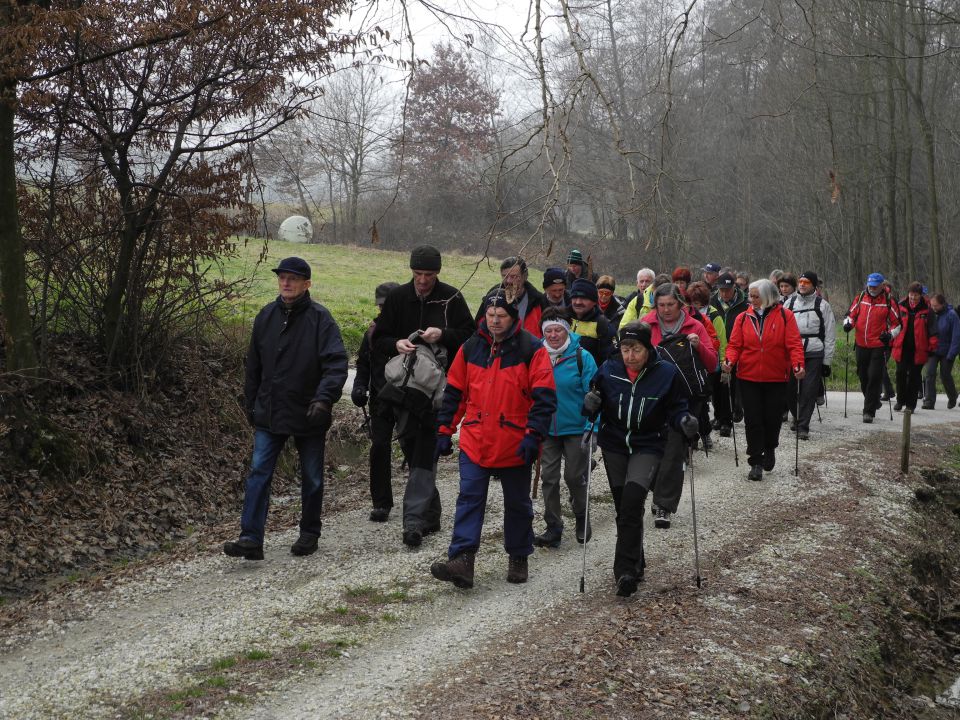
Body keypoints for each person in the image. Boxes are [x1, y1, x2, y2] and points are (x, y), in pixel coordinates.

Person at [224, 257, 348, 560]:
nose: (286, 283)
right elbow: (253, 366)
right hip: (269, 411)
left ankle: (309, 533)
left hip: (309, 412)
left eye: (293, 278)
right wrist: (250, 403)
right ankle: (250, 538)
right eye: (282, 277)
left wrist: (323, 399)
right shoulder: (266, 316)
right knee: (258, 473)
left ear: (307, 284)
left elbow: (336, 364)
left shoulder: (321, 319)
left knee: (312, 476)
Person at [430, 293, 557, 589]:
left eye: (501, 314)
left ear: (512, 317)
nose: (495, 320)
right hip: (476, 439)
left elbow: (544, 398)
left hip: (516, 440)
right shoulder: (471, 347)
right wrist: (444, 430)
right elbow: (455, 393)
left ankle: (518, 554)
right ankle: (462, 559)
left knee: (517, 503)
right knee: (470, 499)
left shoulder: (531, 349)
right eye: (491, 314)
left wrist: (533, 435)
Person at [581, 322, 699, 597]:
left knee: (633, 502)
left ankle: (624, 571)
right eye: (625, 349)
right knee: (625, 507)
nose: (630, 355)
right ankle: (637, 559)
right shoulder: (608, 369)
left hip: (647, 444)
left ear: (648, 348)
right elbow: (593, 401)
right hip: (614, 445)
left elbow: (677, 408)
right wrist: (590, 404)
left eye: (635, 349)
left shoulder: (666, 373)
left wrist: (684, 421)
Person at [372, 246, 475, 547]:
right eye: (418, 274)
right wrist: (398, 343)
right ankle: (430, 513)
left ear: (437, 274)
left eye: (428, 275)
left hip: (438, 392)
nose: (422, 281)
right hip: (403, 390)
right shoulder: (397, 298)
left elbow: (470, 336)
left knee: (424, 452)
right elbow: (378, 340)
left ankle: (413, 522)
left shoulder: (452, 298)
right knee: (411, 447)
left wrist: (442, 335)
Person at [640, 283, 717, 528]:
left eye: (670, 305)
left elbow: (712, 362)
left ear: (680, 304)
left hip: (685, 398)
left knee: (674, 449)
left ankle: (664, 505)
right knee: (651, 448)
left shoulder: (695, 325)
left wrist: (698, 346)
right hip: (651, 396)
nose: (665, 310)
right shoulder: (645, 325)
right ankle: (655, 486)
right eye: (661, 305)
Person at [723, 279, 804, 481]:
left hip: (776, 376)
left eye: (756, 296)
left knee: (772, 418)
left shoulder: (786, 316)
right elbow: (734, 345)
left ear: (768, 296)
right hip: (748, 376)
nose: (751, 299)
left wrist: (798, 365)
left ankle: (770, 448)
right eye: (750, 296)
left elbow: (794, 344)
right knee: (753, 420)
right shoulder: (743, 318)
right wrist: (729, 361)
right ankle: (755, 461)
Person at [533, 307, 598, 549]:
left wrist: (593, 428)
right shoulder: (536, 354)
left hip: (576, 428)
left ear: (567, 329)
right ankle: (553, 527)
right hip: (546, 428)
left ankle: (581, 516)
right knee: (548, 478)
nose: (553, 335)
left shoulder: (583, 357)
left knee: (573, 477)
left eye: (558, 329)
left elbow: (595, 396)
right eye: (548, 330)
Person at [351, 281, 402, 522]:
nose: (383, 310)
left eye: (388, 305)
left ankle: (422, 507)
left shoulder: (414, 331)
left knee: (414, 451)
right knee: (379, 448)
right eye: (381, 306)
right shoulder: (372, 332)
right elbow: (363, 364)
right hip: (380, 399)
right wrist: (360, 386)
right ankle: (381, 504)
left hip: (408, 401)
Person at [843, 273, 901, 424]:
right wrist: (848, 324)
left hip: (878, 345)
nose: (873, 288)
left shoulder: (889, 301)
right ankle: (874, 400)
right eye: (870, 285)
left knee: (874, 376)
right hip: (861, 343)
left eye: (876, 285)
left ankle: (868, 411)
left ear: (882, 285)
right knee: (863, 376)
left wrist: (889, 335)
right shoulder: (861, 297)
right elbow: (851, 315)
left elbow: (898, 324)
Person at [783, 272, 836, 440]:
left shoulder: (823, 305)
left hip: (814, 352)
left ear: (813, 285)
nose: (802, 285)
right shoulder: (789, 303)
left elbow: (830, 334)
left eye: (806, 282)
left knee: (808, 390)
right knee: (790, 389)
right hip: (792, 351)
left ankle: (803, 426)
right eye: (800, 282)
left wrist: (826, 361)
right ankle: (797, 415)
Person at [709, 272, 748, 436]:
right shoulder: (712, 302)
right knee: (716, 387)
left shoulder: (744, 303)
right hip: (717, 348)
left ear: (734, 287)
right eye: (721, 290)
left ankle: (727, 420)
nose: (724, 293)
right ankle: (718, 416)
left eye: (728, 290)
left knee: (729, 387)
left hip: (736, 348)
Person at [892, 282, 936, 413]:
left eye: (915, 295)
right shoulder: (900, 306)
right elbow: (893, 325)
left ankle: (910, 405)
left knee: (914, 377)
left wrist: (932, 347)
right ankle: (900, 400)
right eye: (911, 295)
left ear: (920, 295)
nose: (912, 298)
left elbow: (933, 331)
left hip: (919, 350)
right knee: (900, 373)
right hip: (901, 347)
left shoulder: (927, 310)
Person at [476, 256, 547, 338]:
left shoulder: (537, 299)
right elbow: (479, 325)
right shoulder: (492, 296)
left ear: (524, 276)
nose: (508, 281)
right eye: (505, 276)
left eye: (514, 276)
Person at [923, 293, 960, 409]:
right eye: (932, 305)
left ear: (943, 304)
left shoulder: (952, 315)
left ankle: (953, 396)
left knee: (945, 375)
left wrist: (951, 354)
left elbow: (956, 336)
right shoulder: (930, 314)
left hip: (947, 351)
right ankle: (929, 401)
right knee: (930, 373)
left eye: (936, 306)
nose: (933, 308)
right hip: (933, 350)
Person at [569, 278, 615, 365]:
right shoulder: (562, 318)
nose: (578, 302)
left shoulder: (603, 325)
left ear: (594, 302)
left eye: (584, 298)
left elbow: (608, 360)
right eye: (574, 297)